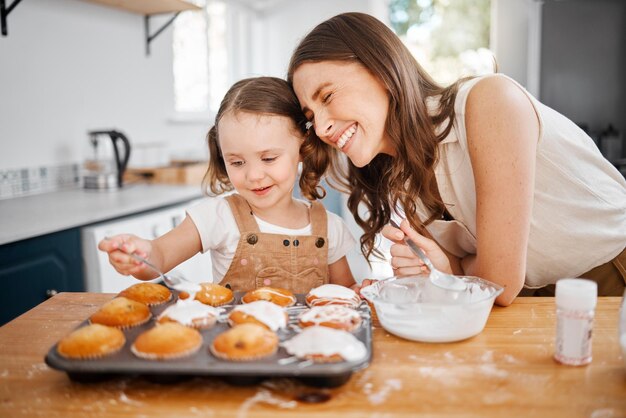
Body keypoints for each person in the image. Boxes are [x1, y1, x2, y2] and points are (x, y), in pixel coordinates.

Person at [287, 12, 626, 305]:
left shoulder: (488, 102)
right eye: (311, 115)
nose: (322, 127)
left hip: (611, 275)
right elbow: (472, 277)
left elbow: (498, 283)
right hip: (532, 297)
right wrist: (437, 268)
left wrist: (455, 268)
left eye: (327, 96)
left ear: (381, 69)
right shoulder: (398, 176)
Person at [98, 76, 358, 294]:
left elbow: (346, 295)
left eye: (268, 158)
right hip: (235, 350)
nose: (254, 175)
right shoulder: (218, 217)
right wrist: (140, 255)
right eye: (237, 162)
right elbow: (160, 255)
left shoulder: (329, 228)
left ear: (303, 147)